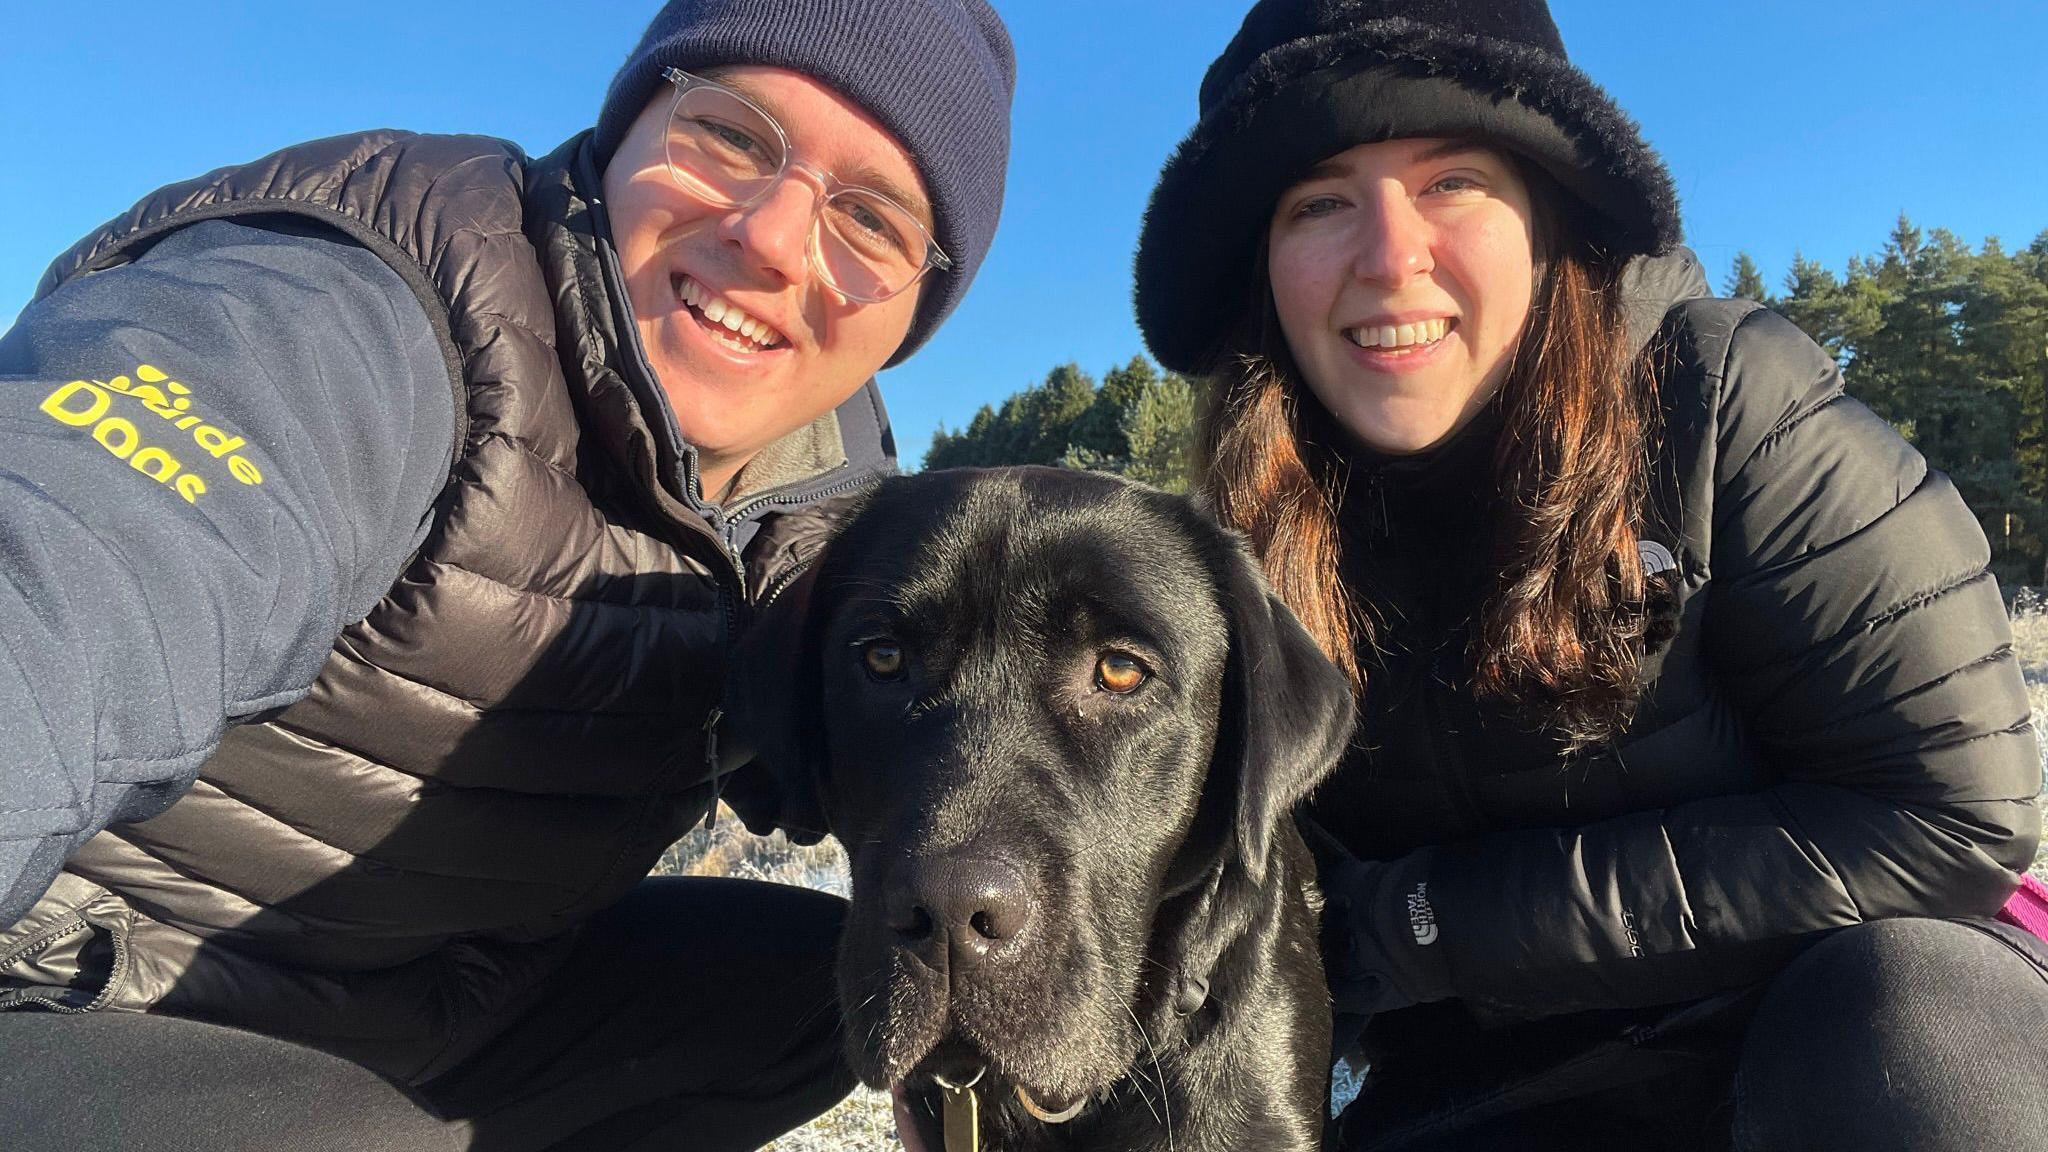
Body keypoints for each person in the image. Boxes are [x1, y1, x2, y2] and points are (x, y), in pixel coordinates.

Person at [0, 1, 1013, 1148]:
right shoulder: (355, 311)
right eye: (731, 136)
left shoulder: (831, 528)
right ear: (627, 126)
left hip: (423, 1007)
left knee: (808, 995)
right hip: (80, 981)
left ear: (909, 319)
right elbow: (59, 586)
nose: (774, 238)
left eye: (869, 220)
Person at [1134, 2, 2048, 1149]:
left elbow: (1949, 818)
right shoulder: (1236, 547)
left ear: (1547, 212)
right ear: (1258, 273)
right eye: (1319, 202)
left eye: (1451, 180)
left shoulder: (1724, 408)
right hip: (1503, 1080)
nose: (1385, 253)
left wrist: (1425, 923)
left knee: (1907, 1034)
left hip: (1848, 1025)